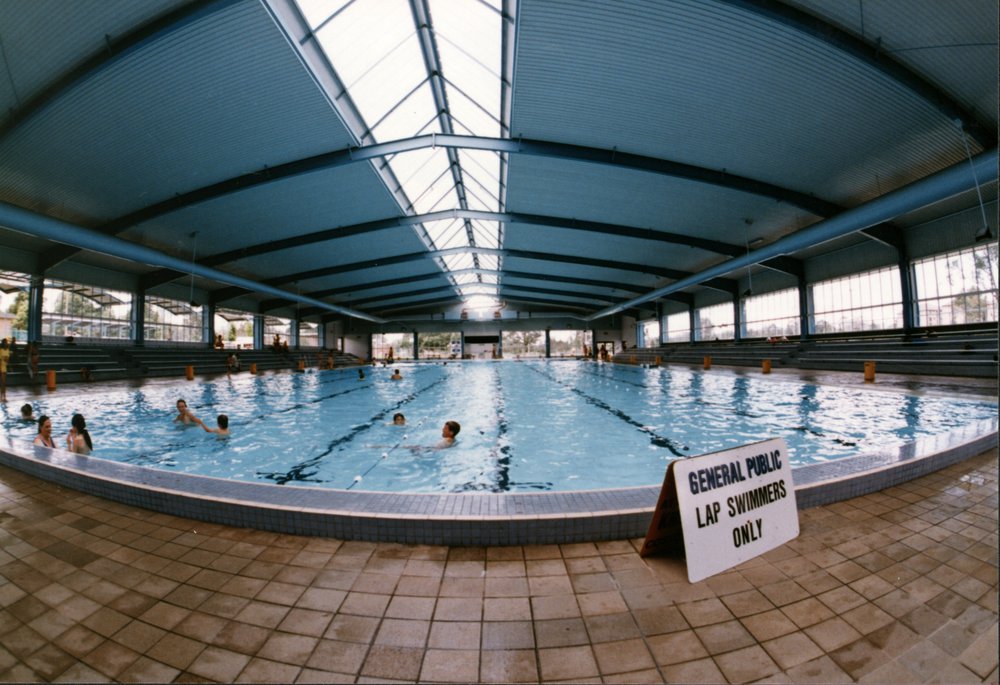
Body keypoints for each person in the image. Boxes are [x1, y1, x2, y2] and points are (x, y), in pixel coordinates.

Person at [0, 338, 9, 403]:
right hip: (0, 367)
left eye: (7, 342)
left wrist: (6, 359)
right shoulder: (0, 350)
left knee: (4, 383)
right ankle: (2, 397)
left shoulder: (7, 350)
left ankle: (4, 397)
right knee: (2, 383)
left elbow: (7, 360)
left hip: (4, 367)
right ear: (3, 343)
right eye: (5, 342)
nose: (6, 343)